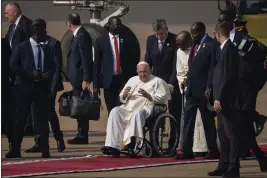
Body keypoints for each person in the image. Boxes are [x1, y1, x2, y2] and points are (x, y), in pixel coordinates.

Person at [218, 11, 267, 167]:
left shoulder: (248, 42)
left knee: (239, 128)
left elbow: (257, 69)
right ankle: (260, 158)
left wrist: (254, 88)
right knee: (242, 129)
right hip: (230, 91)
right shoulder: (221, 39)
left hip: (244, 92)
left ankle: (233, 165)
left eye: (224, 21)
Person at [6, 19, 58, 158]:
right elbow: (13, 64)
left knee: (41, 120)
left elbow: (54, 65)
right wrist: (29, 72)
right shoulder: (22, 47)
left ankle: (45, 149)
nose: (44, 35)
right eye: (41, 32)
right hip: (24, 88)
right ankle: (15, 149)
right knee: (20, 119)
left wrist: (48, 74)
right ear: (36, 32)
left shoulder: (46, 48)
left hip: (41, 88)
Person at [101, 61, 171, 156]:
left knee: (137, 113)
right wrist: (124, 95)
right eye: (140, 72)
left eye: (145, 72)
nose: (142, 74)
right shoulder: (132, 80)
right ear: (137, 72)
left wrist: (149, 96)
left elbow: (163, 97)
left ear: (149, 71)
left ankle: (132, 143)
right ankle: (113, 146)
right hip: (129, 107)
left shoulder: (158, 81)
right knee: (115, 111)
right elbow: (122, 96)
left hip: (147, 107)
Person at [175, 22, 219, 160]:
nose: (193, 35)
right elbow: (192, 64)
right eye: (191, 32)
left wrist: (209, 87)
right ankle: (187, 150)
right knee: (188, 119)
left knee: (207, 121)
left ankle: (213, 150)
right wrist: (187, 78)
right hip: (192, 90)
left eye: (195, 32)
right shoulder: (195, 43)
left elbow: (213, 67)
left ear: (202, 31)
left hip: (204, 90)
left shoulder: (212, 45)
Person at [208, 22, 240, 177]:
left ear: (218, 34)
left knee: (231, 134)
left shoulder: (229, 49)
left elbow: (228, 76)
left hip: (226, 100)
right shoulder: (224, 49)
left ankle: (234, 167)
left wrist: (219, 97)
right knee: (222, 134)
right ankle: (223, 164)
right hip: (220, 99)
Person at [25, 35, 66, 153]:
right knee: (35, 113)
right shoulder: (31, 43)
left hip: (49, 85)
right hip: (36, 85)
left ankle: (59, 138)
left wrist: (53, 87)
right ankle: (39, 142)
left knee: (49, 112)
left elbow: (57, 66)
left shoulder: (54, 43)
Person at [144, 19, 181, 146]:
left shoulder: (175, 40)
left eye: (160, 33)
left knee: (174, 112)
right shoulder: (150, 40)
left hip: (171, 80)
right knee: (155, 111)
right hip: (155, 81)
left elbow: (176, 65)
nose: (158, 36)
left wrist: (171, 83)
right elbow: (148, 60)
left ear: (166, 29)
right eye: (156, 34)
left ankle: (174, 142)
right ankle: (154, 142)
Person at [94, 16, 138, 114]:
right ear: (109, 26)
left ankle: (122, 128)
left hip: (122, 80)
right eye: (116, 24)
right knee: (111, 109)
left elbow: (131, 60)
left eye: (120, 24)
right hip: (109, 81)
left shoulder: (126, 40)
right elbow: (97, 64)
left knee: (122, 107)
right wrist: (96, 86)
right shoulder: (101, 40)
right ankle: (112, 128)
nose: (119, 27)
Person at [4, 1, 34, 142]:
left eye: (7, 13)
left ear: (15, 11)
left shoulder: (27, 24)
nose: (5, 16)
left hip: (24, 70)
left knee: (26, 100)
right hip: (13, 69)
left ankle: (29, 127)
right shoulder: (12, 27)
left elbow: (30, 47)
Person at [176, 31, 208, 156]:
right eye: (178, 45)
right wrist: (183, 84)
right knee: (189, 121)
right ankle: (188, 148)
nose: (179, 47)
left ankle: (201, 148)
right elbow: (179, 72)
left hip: (200, 89)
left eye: (182, 44)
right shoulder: (179, 52)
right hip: (188, 91)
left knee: (201, 120)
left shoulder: (197, 49)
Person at [66, 13, 94, 145]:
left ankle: (82, 135)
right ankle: (81, 133)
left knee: (81, 105)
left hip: (80, 78)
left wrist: (86, 79)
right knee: (79, 105)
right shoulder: (78, 34)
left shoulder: (82, 35)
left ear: (69, 23)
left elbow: (86, 58)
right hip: (77, 78)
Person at [1, 38, 13, 142]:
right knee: (7, 112)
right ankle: (13, 145)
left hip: (4, 83)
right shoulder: (3, 43)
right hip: (4, 83)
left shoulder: (3, 43)